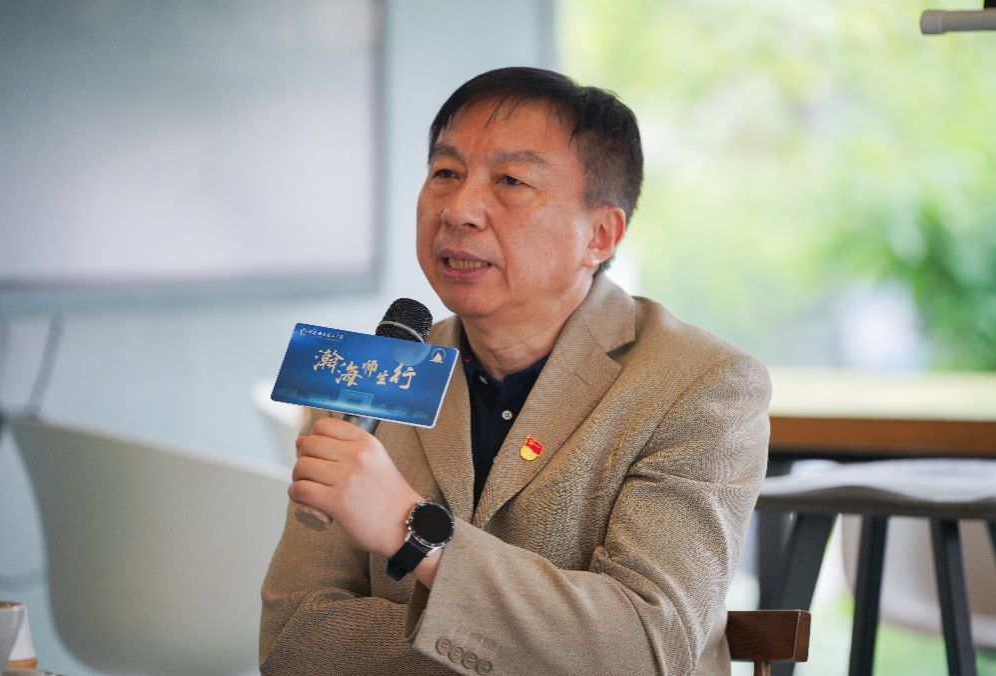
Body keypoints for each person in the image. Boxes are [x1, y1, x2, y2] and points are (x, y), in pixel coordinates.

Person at [260, 66, 770, 676]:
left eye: (510, 180)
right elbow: (293, 639)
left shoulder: (702, 386)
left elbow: (645, 648)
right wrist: (535, 646)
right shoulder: (370, 371)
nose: (459, 210)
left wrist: (411, 531)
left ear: (600, 234)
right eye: (445, 173)